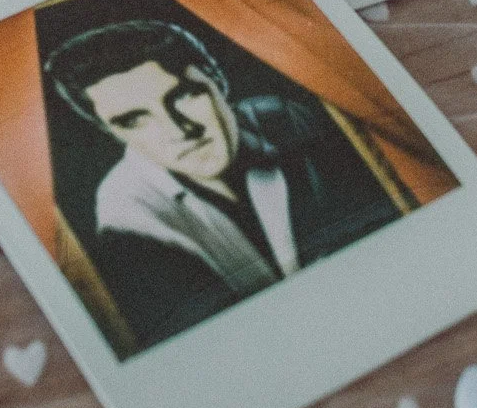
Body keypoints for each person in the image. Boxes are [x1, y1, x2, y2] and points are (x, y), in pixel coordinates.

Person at [43, 18, 402, 351]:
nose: (179, 131)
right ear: (112, 132)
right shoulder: (126, 216)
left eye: (184, 95)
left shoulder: (286, 118)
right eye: (135, 120)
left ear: (219, 83)